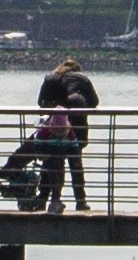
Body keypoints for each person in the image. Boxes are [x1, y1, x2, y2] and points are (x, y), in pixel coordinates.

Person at [34, 55, 99, 208]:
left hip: (55, 127)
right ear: (77, 69)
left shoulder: (52, 78)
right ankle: (81, 202)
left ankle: (43, 198)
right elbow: (95, 102)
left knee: (50, 163)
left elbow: (40, 103)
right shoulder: (83, 79)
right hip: (78, 126)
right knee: (76, 164)